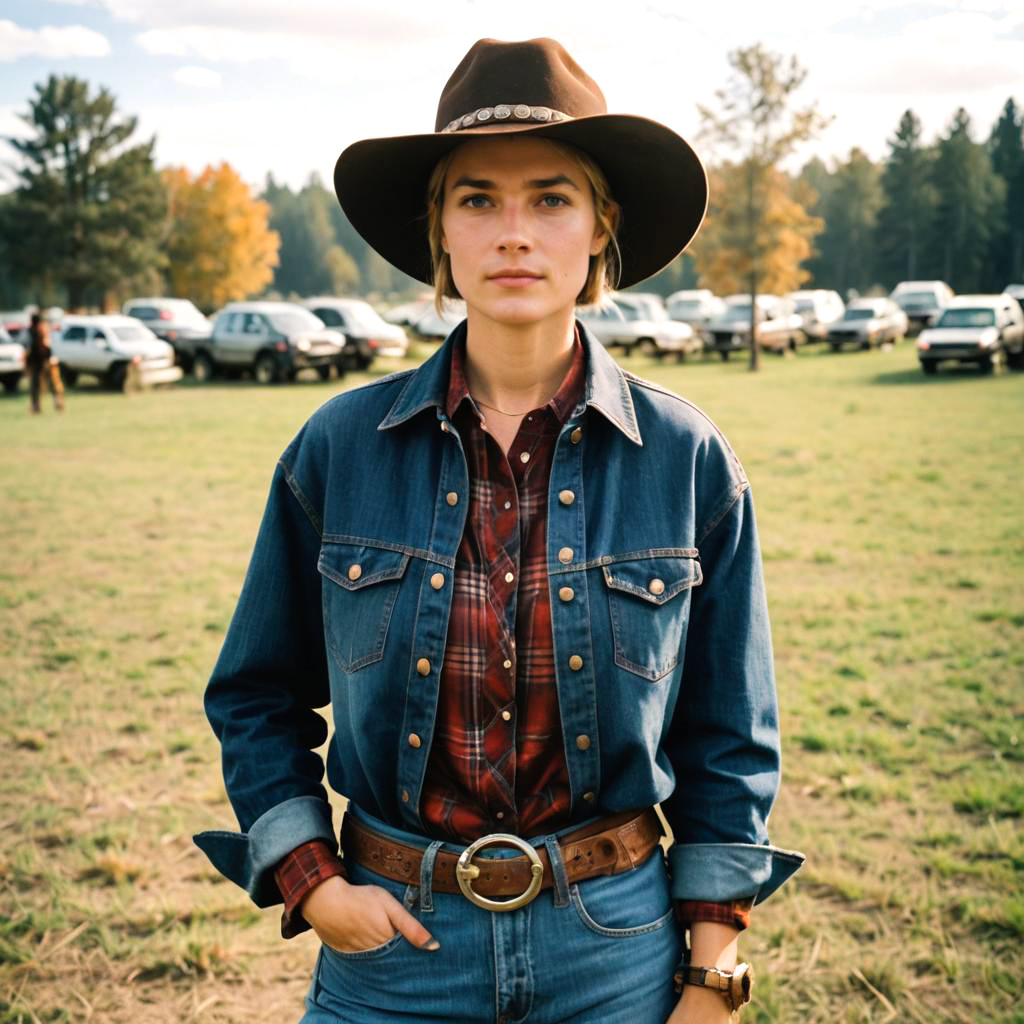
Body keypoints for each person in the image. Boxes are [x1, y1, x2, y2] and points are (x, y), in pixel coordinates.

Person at [194, 37, 805, 1024]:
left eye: (551, 198)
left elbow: (728, 738)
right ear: (438, 230)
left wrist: (712, 979)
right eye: (477, 198)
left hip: (615, 948)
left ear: (600, 228)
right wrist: (314, 882)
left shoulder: (687, 458)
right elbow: (255, 695)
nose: (513, 232)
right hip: (392, 948)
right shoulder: (336, 449)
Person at [26, 311, 65, 414]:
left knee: (37, 385)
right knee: (50, 384)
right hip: (45, 361)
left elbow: (31, 348)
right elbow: (47, 345)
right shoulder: (42, 329)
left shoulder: (34, 330)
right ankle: (56, 403)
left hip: (39, 362)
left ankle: (37, 406)